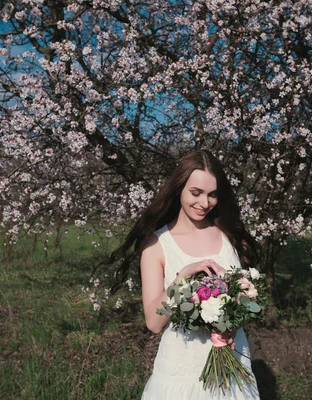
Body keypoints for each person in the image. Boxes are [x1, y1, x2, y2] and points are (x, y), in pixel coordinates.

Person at [111, 150, 260, 399]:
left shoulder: (232, 234)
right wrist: (181, 280)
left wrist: (234, 321)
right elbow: (153, 322)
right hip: (182, 368)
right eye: (196, 193)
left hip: (234, 358)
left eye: (212, 195)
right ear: (179, 188)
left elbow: (249, 300)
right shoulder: (156, 245)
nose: (205, 203)